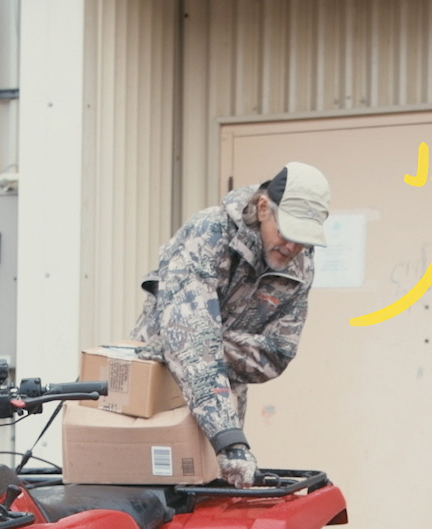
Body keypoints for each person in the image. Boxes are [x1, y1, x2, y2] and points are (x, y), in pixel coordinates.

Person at [131, 162, 330, 487]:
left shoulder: (300, 266)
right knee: (152, 495)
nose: (293, 248)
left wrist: (198, 344)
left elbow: (277, 354)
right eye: (288, 233)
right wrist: (230, 442)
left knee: (212, 500)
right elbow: (191, 341)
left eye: (304, 240)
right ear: (263, 208)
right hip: (155, 389)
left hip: (224, 414)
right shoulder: (210, 233)